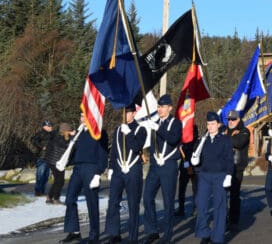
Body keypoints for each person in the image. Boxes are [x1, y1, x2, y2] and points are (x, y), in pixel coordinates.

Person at [59, 113, 108, 243]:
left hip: (91, 169)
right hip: (78, 168)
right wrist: (63, 162)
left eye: (85, 115)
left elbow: (103, 154)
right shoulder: (79, 133)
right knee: (69, 199)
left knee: (92, 203)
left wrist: (98, 173)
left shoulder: (99, 132)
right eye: (81, 116)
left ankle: (94, 235)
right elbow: (74, 153)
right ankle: (74, 231)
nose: (82, 119)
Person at [142, 94, 182, 244]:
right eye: (158, 107)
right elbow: (152, 145)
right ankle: (152, 230)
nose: (160, 109)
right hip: (155, 166)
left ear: (170, 108)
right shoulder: (155, 124)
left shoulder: (176, 123)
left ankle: (168, 234)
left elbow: (173, 139)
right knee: (147, 197)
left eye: (163, 107)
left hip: (169, 166)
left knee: (168, 200)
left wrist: (158, 128)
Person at [104, 104, 147, 244]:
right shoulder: (117, 130)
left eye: (128, 113)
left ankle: (133, 237)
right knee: (113, 202)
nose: (125, 115)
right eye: (124, 113)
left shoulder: (141, 129)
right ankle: (114, 233)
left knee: (133, 204)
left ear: (134, 114)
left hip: (133, 170)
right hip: (118, 170)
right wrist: (110, 168)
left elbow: (136, 147)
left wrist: (128, 133)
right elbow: (114, 151)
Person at [192, 111, 234, 244]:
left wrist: (229, 175)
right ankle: (205, 233)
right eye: (208, 124)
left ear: (218, 124)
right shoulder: (202, 141)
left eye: (213, 124)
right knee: (201, 204)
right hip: (204, 176)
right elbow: (195, 156)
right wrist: (195, 162)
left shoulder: (225, 140)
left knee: (219, 207)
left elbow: (229, 159)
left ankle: (217, 237)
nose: (210, 126)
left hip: (219, 176)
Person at [223, 110, 250, 229]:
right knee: (222, 195)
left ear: (238, 119)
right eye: (229, 119)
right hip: (223, 167)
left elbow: (238, 142)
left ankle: (234, 220)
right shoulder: (225, 130)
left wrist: (224, 138)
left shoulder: (245, 131)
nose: (230, 121)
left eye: (233, 119)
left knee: (234, 195)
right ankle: (223, 218)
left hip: (236, 167)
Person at [45, 122, 73, 204]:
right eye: (69, 131)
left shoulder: (61, 137)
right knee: (59, 181)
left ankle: (50, 197)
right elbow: (65, 146)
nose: (70, 132)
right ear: (65, 131)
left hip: (56, 162)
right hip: (55, 162)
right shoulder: (59, 138)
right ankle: (55, 198)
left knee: (58, 180)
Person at [175, 124, 199, 217]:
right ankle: (181, 209)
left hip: (194, 167)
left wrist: (189, 167)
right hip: (185, 167)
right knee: (182, 189)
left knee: (196, 189)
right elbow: (182, 155)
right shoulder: (184, 141)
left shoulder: (196, 142)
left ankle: (196, 208)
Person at [31, 120, 54, 197]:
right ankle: (38, 192)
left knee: (46, 176)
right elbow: (33, 140)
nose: (51, 127)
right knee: (40, 175)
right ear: (45, 126)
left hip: (49, 158)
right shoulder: (40, 133)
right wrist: (42, 146)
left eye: (51, 126)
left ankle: (42, 191)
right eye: (49, 126)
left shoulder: (52, 134)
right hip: (42, 157)